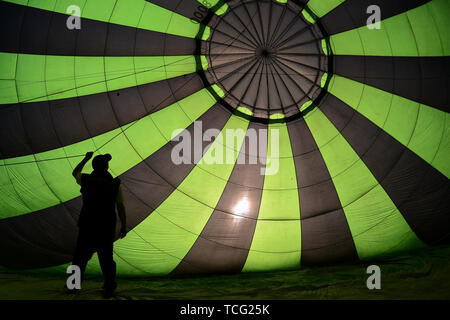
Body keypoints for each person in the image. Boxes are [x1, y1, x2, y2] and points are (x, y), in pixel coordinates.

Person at [70, 151, 127, 298]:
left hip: (87, 225)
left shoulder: (86, 180)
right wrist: (124, 225)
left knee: (79, 258)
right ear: (107, 167)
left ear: (94, 167)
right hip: (106, 226)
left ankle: (73, 286)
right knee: (107, 259)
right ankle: (109, 287)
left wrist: (85, 159)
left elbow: (75, 172)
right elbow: (120, 207)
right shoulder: (115, 184)